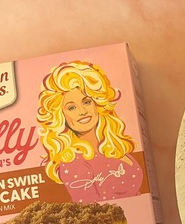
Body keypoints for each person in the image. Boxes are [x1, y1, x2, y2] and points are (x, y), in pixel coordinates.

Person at [37, 61, 143, 202]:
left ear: (97, 103)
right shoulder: (73, 162)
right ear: (61, 116)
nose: (82, 112)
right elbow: (92, 215)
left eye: (86, 102)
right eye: (71, 108)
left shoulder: (111, 146)